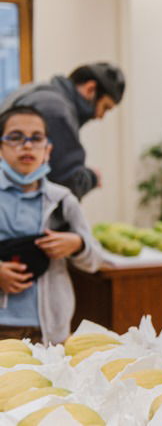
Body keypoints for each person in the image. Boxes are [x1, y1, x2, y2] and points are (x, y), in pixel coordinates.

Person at [0, 105, 103, 344]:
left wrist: (77, 245)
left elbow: (95, 259)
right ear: (1, 148)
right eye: (15, 137)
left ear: (48, 150)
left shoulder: (63, 200)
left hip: (49, 330)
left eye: (36, 138)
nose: (27, 145)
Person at [1, 63, 125, 200]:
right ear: (90, 89)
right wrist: (93, 177)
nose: (100, 116)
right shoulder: (56, 111)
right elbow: (66, 184)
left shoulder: (35, 91)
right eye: (105, 107)